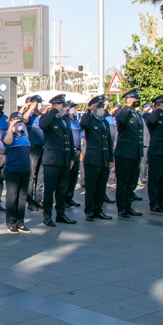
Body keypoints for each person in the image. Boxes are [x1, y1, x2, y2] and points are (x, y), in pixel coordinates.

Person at [39, 94, 77, 227]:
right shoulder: (48, 118)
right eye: (62, 106)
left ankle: (61, 214)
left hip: (65, 159)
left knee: (62, 189)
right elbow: (43, 125)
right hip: (52, 160)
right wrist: (53, 110)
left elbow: (70, 139)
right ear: (55, 106)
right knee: (50, 189)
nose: (65, 108)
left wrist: (72, 156)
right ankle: (47, 216)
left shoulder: (65, 120)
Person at [80, 96, 114, 221]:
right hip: (93, 159)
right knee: (91, 187)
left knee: (101, 187)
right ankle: (89, 210)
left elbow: (108, 142)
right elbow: (83, 124)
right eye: (98, 107)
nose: (101, 109)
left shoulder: (104, 122)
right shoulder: (90, 120)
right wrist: (89, 110)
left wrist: (110, 158)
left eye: (102, 107)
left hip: (104, 159)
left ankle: (98, 209)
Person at [114, 89, 145, 218]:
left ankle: (128, 205)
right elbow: (120, 119)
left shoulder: (136, 114)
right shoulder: (122, 112)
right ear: (129, 99)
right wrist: (127, 105)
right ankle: (121, 207)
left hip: (135, 153)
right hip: (124, 153)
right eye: (135, 99)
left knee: (131, 182)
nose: (137, 101)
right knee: (123, 182)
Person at [1, 113, 32, 232]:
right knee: (12, 196)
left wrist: (32, 170)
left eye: (21, 121)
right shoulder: (7, 134)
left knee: (22, 197)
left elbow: (28, 154)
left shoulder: (25, 135)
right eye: (17, 121)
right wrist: (11, 127)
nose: (20, 124)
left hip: (25, 169)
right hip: (12, 170)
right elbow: (7, 142)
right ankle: (11, 222)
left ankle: (20, 222)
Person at [65, 101, 83, 209]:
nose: (73, 109)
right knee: (66, 176)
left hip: (76, 150)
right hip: (68, 151)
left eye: (74, 107)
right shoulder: (66, 120)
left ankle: (69, 197)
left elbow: (80, 136)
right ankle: (63, 199)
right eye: (71, 107)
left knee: (73, 177)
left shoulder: (76, 121)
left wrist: (80, 151)